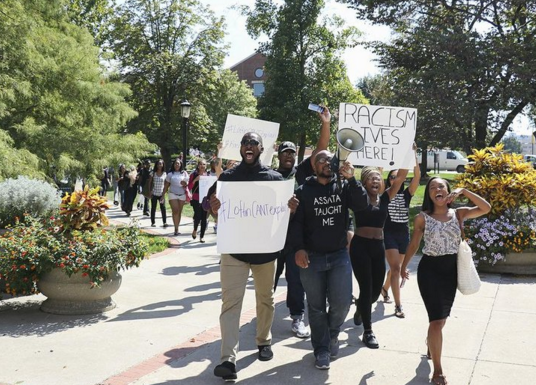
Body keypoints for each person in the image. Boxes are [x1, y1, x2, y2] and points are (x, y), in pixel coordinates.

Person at [209, 132, 285, 382]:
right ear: (240, 149)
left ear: (262, 149)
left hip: (265, 253)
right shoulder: (227, 178)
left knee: (266, 299)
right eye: (245, 143)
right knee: (230, 303)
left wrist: (290, 208)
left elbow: (281, 215)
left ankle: (263, 341)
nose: (249, 146)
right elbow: (213, 210)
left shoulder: (275, 179)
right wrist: (214, 209)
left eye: (253, 143)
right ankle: (227, 359)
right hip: (235, 252)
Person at [401, 177, 490, 385]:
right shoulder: (422, 218)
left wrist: (465, 190)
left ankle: (431, 343)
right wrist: (403, 267)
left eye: (441, 186)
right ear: (429, 195)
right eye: (432, 187)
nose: (437, 189)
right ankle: (438, 371)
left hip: (450, 272)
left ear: (449, 191)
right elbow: (414, 244)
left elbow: (486, 208)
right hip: (429, 271)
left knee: (440, 320)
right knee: (437, 320)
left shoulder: (458, 213)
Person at [290, 150, 368, 370]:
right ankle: (321, 349)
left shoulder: (343, 186)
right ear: (314, 167)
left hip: (338, 255)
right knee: (315, 308)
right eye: (320, 160)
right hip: (312, 258)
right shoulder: (303, 191)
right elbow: (296, 224)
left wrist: (352, 179)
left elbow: (362, 205)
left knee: (342, 302)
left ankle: (332, 333)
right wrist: (298, 249)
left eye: (330, 159)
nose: (326, 162)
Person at [273, 106, 331, 338]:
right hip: (272, 237)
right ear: (279, 155)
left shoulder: (302, 172)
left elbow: (321, 150)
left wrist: (325, 123)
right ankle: (264, 313)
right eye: (285, 152)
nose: (288, 155)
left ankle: (297, 317)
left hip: (295, 237)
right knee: (269, 279)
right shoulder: (269, 175)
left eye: (292, 152)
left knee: (296, 279)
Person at [350, 165, 408, 349]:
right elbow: (352, 184)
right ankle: (368, 331)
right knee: (366, 288)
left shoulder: (385, 198)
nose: (375, 180)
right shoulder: (360, 198)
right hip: (360, 247)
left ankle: (361, 306)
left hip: (377, 247)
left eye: (378, 178)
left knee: (375, 292)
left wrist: (407, 153)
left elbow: (400, 178)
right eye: (371, 178)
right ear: (364, 182)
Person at [381, 145, 421, 318]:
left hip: (403, 234)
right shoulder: (385, 194)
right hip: (388, 233)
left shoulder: (407, 194)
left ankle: (384, 288)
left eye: (398, 176)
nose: (395, 179)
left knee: (395, 269)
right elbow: (379, 173)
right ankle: (398, 306)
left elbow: (417, 177)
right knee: (396, 269)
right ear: (389, 180)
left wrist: (413, 155)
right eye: (392, 177)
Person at [162, 158, 189, 236]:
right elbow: (166, 185)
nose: (177, 165)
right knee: (175, 211)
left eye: (178, 163)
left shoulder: (184, 173)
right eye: (175, 163)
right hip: (172, 194)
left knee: (179, 212)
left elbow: (187, 183)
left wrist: (185, 183)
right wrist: (163, 195)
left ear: (181, 165)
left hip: (182, 194)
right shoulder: (170, 174)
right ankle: (175, 229)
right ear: (173, 165)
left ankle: (177, 228)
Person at [188, 159, 210, 243]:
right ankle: (195, 229)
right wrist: (195, 180)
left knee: (204, 217)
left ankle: (202, 236)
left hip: (205, 199)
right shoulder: (193, 175)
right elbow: (189, 187)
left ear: (206, 166)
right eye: (200, 164)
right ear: (198, 165)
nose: (202, 166)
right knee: (197, 216)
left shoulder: (208, 175)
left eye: (204, 164)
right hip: (196, 199)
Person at [148, 159, 167, 228]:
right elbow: (149, 183)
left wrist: (164, 194)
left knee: (163, 208)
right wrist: (150, 191)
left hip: (161, 194)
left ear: (163, 165)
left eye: (161, 164)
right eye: (159, 164)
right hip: (154, 193)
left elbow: (165, 185)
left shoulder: (165, 174)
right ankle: (153, 222)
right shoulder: (153, 173)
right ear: (156, 165)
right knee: (153, 208)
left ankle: (164, 222)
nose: (160, 165)